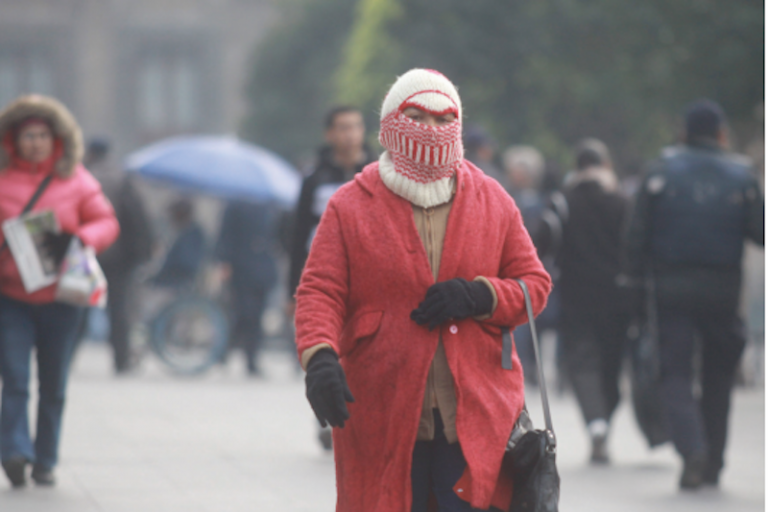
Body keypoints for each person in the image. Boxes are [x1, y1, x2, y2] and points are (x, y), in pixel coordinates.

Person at [295, 69, 551, 512]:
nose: (429, 130)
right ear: (390, 121)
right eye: (415, 116)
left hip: (474, 409)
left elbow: (534, 285)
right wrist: (319, 357)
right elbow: (320, 290)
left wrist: (479, 296)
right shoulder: (349, 205)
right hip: (382, 405)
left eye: (443, 118)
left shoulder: (492, 199)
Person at [624, 100, 764, 489]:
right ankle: (715, 461)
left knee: (676, 374)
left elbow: (636, 237)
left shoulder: (660, 171)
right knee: (720, 375)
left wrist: (633, 286)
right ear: (721, 134)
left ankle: (692, 450)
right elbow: (760, 231)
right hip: (723, 291)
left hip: (671, 291)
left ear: (684, 132)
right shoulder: (742, 175)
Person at [0, 95, 119, 487]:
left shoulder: (78, 180)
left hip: (62, 298)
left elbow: (106, 221)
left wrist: (80, 239)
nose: (34, 142)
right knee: (15, 378)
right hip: (11, 296)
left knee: (54, 382)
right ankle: (15, 451)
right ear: (12, 141)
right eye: (26, 136)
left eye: (41, 135)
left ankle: (46, 458)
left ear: (56, 140)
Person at [556, 139, 630, 464]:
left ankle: (595, 422)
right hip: (617, 298)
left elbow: (542, 242)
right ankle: (603, 422)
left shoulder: (564, 202)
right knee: (611, 366)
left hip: (575, 297)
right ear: (606, 165)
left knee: (583, 364)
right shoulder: (622, 201)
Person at [287, 106, 377, 307]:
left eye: (355, 127)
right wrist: (293, 289)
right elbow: (299, 234)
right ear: (329, 134)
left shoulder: (379, 175)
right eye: (344, 128)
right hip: (324, 270)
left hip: (370, 272)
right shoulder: (314, 179)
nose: (350, 134)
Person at [87, 138, 154, 374]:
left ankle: (64, 358)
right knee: (119, 309)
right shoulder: (122, 178)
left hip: (89, 253)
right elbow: (138, 218)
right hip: (119, 257)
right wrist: (142, 252)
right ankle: (121, 360)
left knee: (79, 305)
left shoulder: (85, 178)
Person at [214, 201, 278, 376]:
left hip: (263, 270)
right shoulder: (234, 205)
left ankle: (251, 359)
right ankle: (225, 352)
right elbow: (226, 235)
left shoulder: (271, 206)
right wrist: (225, 262)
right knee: (243, 314)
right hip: (241, 269)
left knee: (256, 317)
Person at [152, 198, 205, 290]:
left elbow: (185, 264)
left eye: (175, 214)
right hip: (169, 280)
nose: (172, 218)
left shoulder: (193, 236)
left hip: (176, 285)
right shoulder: (184, 233)